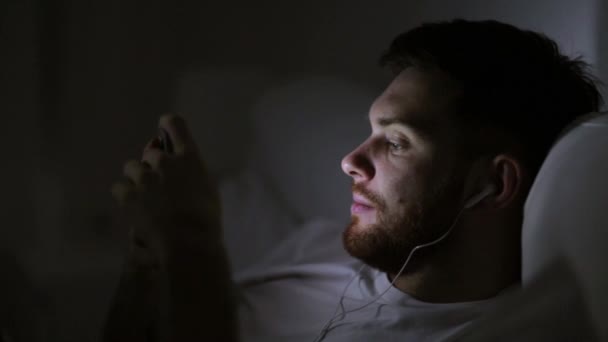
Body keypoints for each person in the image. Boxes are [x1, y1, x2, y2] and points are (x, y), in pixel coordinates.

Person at [103, 19, 602, 341]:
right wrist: (148, 257)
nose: (350, 161)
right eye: (369, 133)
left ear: (494, 183)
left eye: (397, 141)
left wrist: (191, 242)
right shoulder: (322, 248)